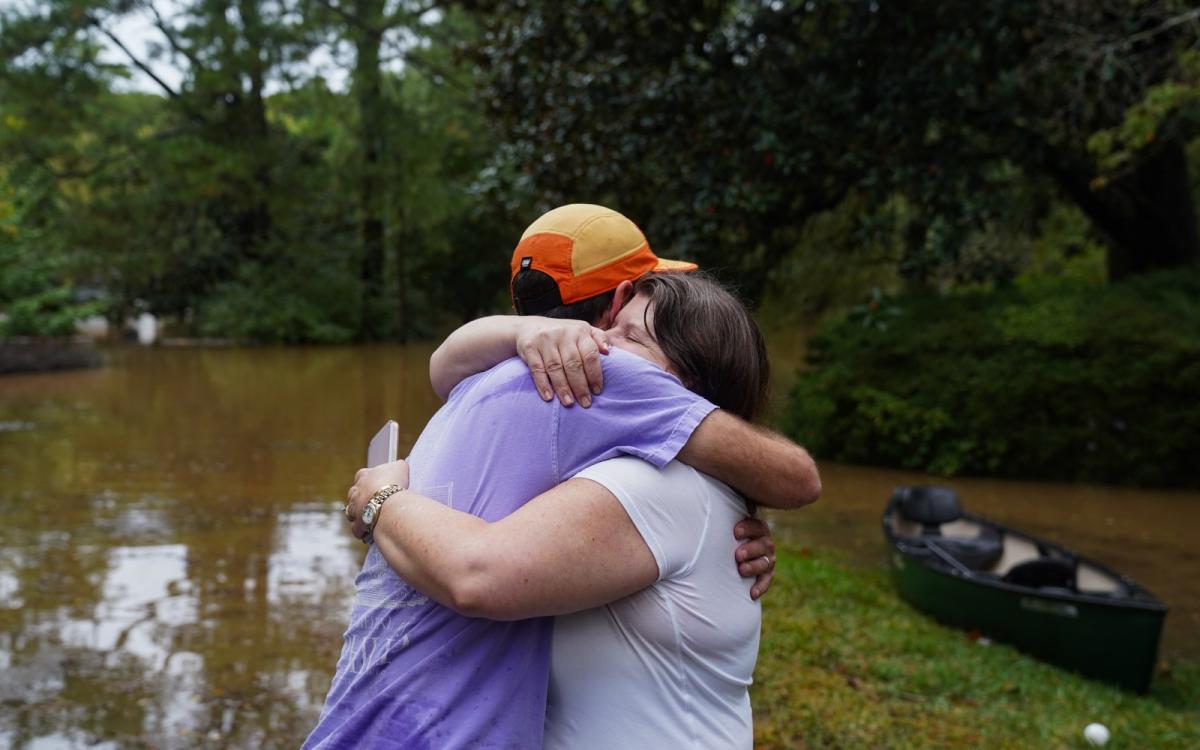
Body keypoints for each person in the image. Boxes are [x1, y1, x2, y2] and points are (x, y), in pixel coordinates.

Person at [304, 204, 820, 748]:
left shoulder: (627, 433)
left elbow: (475, 573)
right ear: (609, 303)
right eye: (615, 328)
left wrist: (380, 496)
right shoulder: (576, 415)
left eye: (632, 337)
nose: (609, 349)